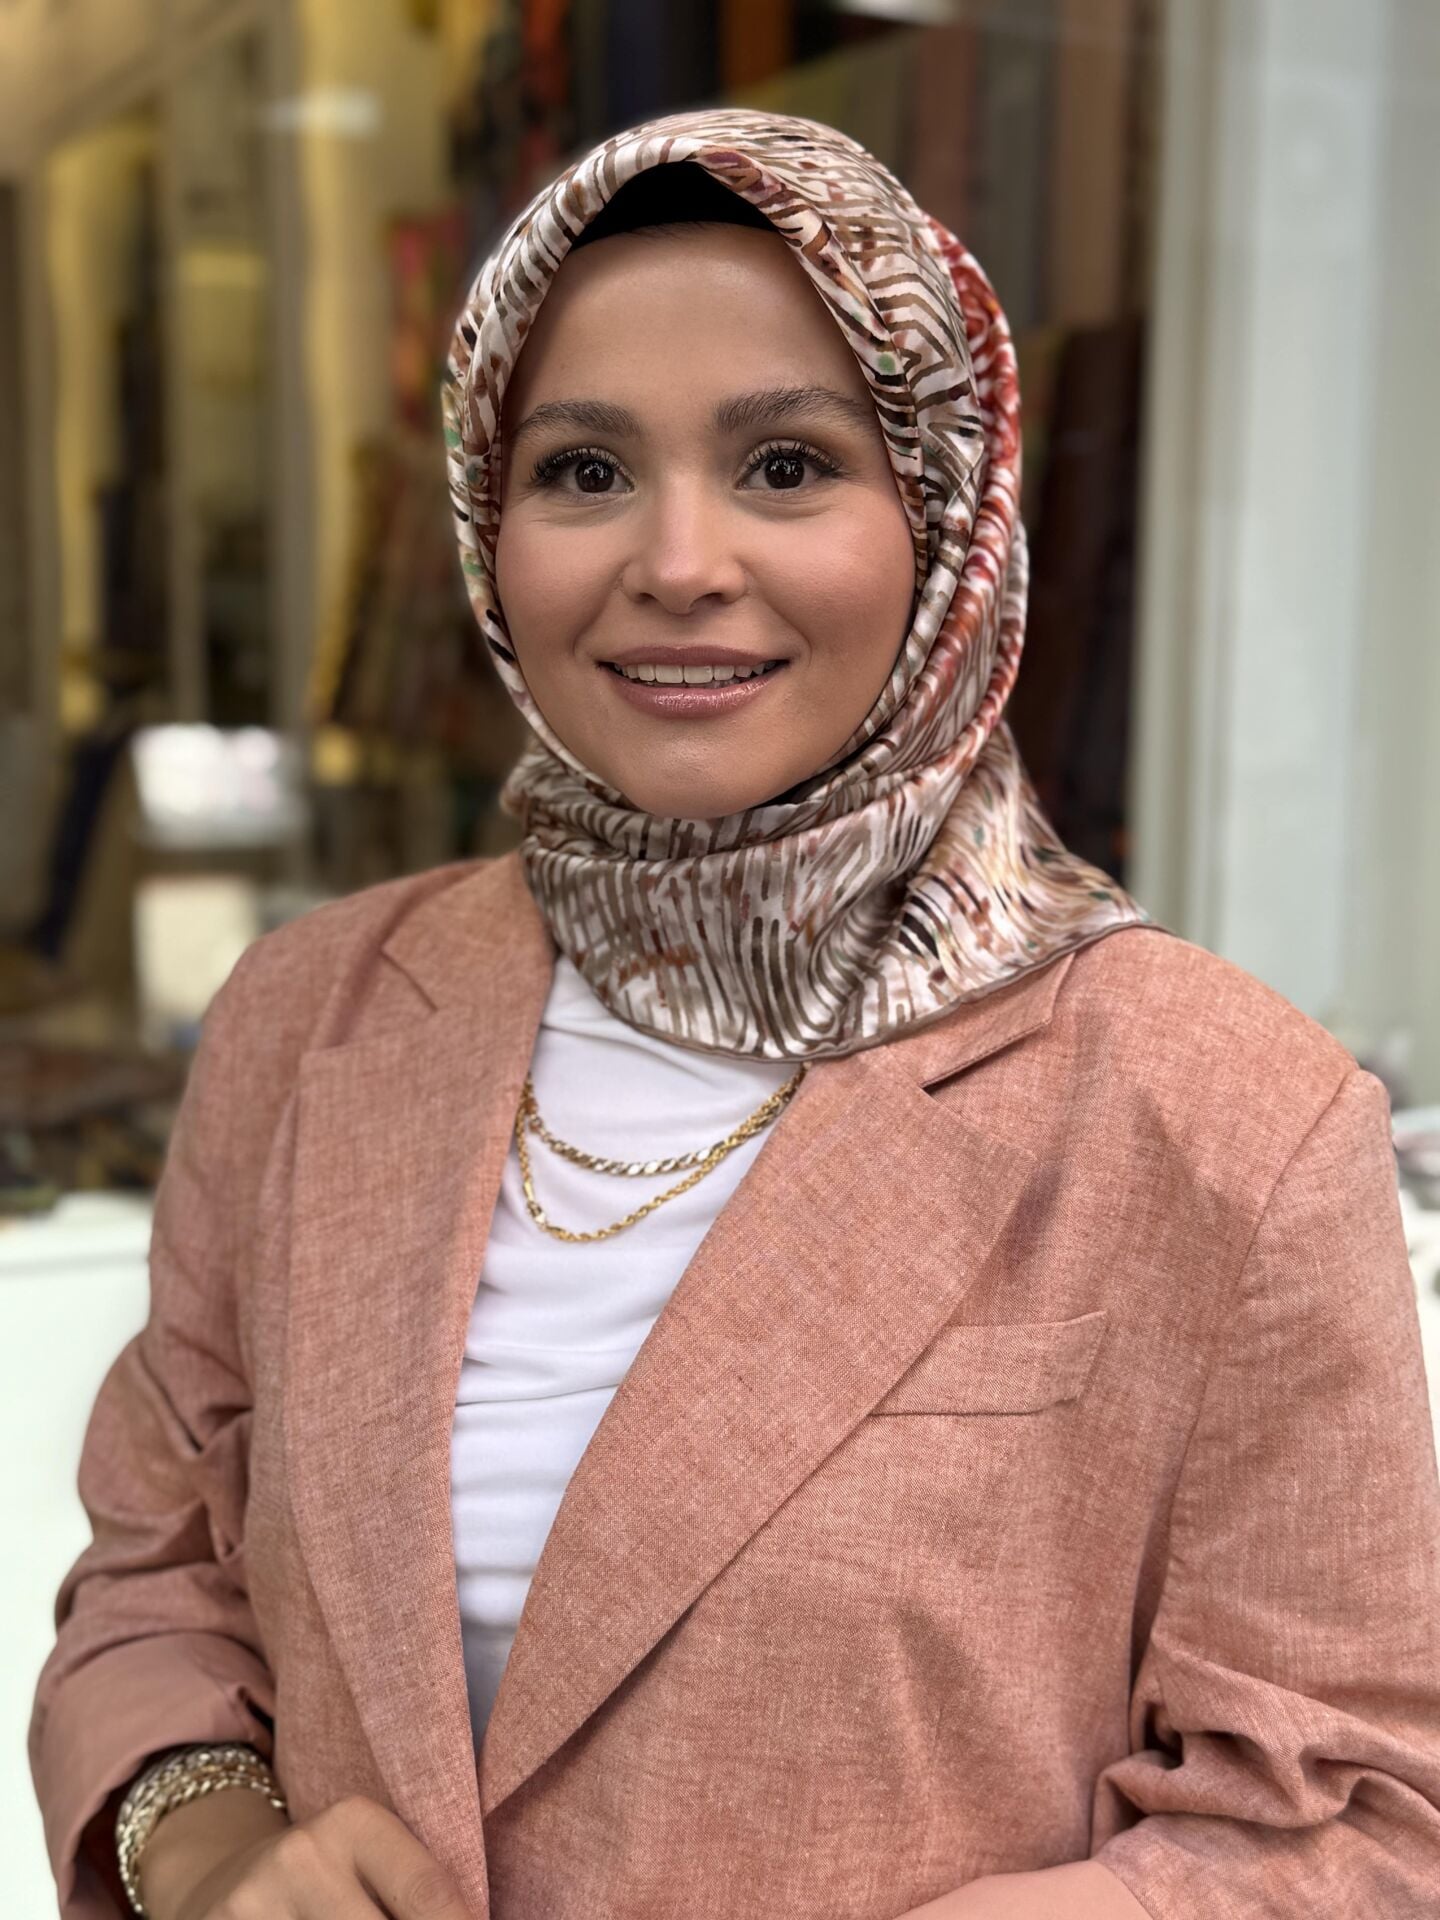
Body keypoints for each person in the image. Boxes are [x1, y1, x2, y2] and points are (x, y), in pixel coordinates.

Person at [29, 108, 1440, 1920]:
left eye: (786, 464)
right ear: (488, 528)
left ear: (943, 512)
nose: (679, 560)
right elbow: (158, 1578)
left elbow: (1348, 1820)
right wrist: (212, 1847)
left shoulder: (1223, 1111)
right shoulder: (312, 1019)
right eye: (583, 470)